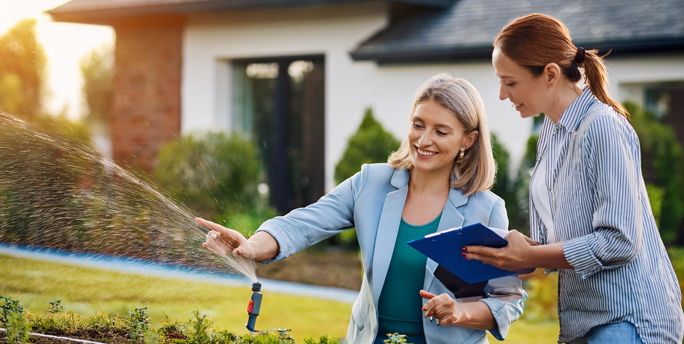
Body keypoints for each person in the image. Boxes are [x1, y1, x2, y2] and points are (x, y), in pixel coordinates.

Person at [196, 73, 526, 344]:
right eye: (418, 124)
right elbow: (306, 222)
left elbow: (506, 298)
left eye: (441, 131)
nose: (424, 140)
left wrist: (460, 312)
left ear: (467, 140)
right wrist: (253, 245)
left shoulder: (486, 209)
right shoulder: (371, 183)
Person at [462, 13, 684, 344]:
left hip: (628, 319)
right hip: (583, 321)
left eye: (510, 82)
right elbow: (568, 241)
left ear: (550, 73)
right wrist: (512, 254)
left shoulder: (602, 127)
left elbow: (619, 240)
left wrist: (532, 256)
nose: (501, 94)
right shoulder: (551, 130)